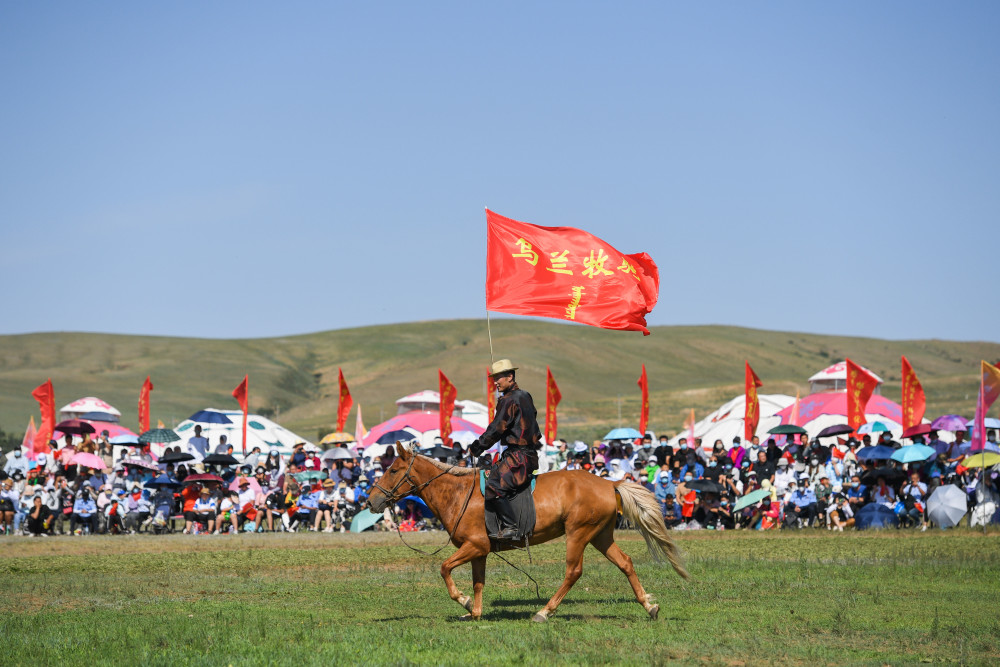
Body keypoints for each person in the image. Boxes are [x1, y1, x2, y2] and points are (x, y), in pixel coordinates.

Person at [468, 359, 542, 540]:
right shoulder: (525, 395)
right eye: (494, 378)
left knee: (493, 486)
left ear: (510, 377)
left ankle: (511, 527)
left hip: (519, 456)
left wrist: (477, 447)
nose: (495, 382)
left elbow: (496, 428)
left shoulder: (509, 399)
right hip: (527, 454)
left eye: (498, 378)